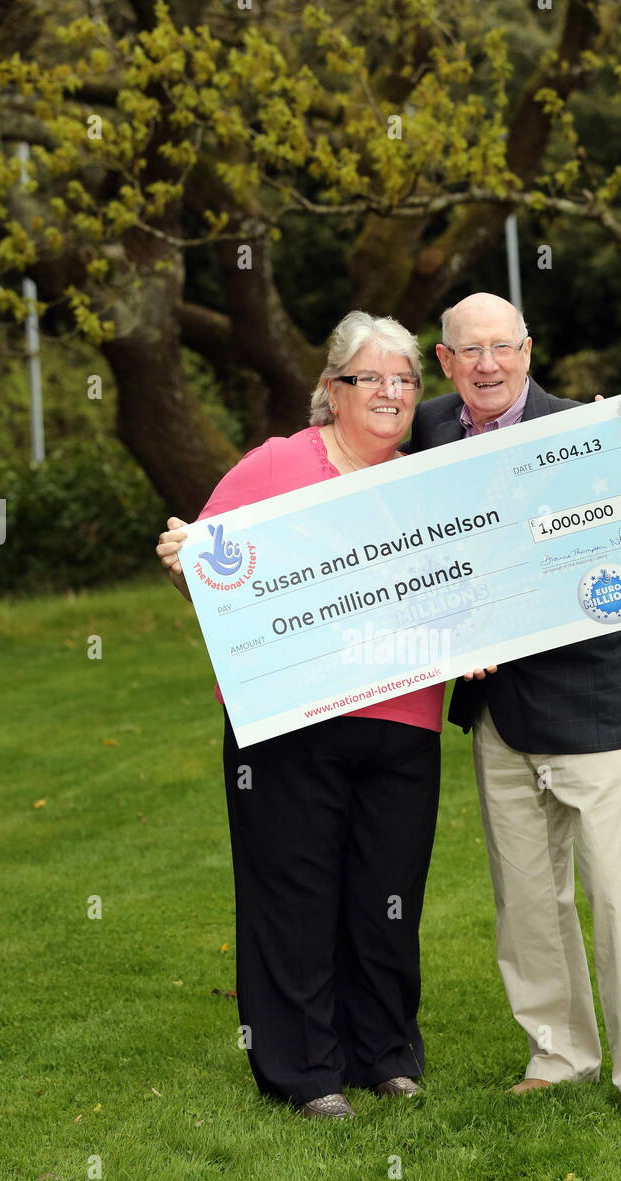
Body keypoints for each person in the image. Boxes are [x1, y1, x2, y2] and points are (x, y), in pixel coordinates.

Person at [407, 292, 621, 1121]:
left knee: (620, 894)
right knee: (527, 897)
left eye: (504, 348)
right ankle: (558, 1051)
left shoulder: (587, 428)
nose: (488, 365)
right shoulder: (426, 429)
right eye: (471, 351)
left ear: (529, 352)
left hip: (594, 701)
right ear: (445, 361)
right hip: (496, 708)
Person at [156, 311, 444, 1119]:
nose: (389, 392)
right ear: (332, 390)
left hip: (404, 716)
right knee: (295, 892)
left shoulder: (430, 479)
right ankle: (305, 1071)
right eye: (370, 377)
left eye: (404, 379)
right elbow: (207, 567)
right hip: (287, 721)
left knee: (386, 893)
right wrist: (186, 563)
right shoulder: (277, 466)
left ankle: (384, 1052)